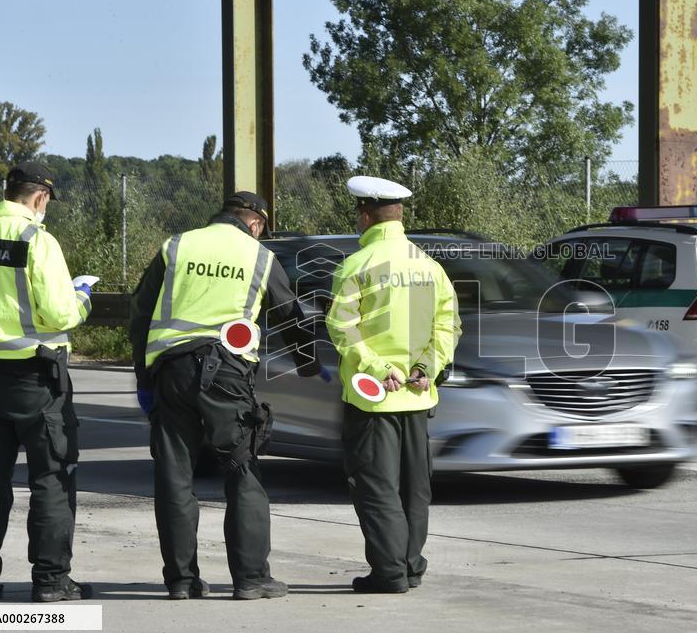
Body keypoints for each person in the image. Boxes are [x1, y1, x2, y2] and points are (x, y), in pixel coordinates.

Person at [128, 191, 327, 600]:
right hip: (228, 374)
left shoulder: (177, 245)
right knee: (242, 471)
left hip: (172, 371)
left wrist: (144, 380)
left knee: (174, 477)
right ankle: (251, 578)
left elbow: (139, 315)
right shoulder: (259, 256)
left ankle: (182, 580)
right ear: (255, 224)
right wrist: (308, 364)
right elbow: (290, 314)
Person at [0, 162, 94, 603]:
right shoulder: (39, 241)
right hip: (39, 381)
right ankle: (51, 581)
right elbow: (61, 314)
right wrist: (82, 297)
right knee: (51, 478)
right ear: (40, 198)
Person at [327, 175, 461, 593]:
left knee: (376, 488)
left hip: (373, 400)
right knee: (414, 490)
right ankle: (410, 566)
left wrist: (379, 368)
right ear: (399, 215)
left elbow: (342, 329)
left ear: (366, 215)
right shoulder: (430, 266)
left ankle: (388, 574)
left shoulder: (355, 266)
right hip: (419, 396)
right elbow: (448, 325)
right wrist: (426, 368)